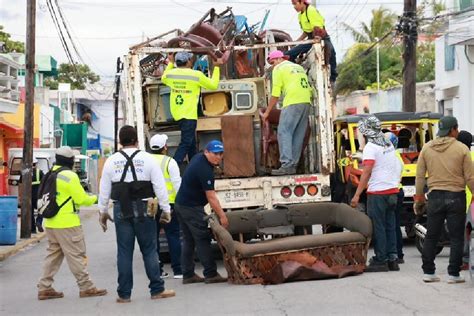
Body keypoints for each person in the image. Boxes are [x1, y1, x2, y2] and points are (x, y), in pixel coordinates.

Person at [98, 126, 175, 303]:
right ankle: (157, 289)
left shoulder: (111, 161)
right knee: (149, 250)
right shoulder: (147, 159)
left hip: (120, 209)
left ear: (120, 141)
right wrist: (166, 209)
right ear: (136, 141)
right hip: (145, 208)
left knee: (124, 252)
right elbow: (159, 186)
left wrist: (102, 211)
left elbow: (104, 189)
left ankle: (124, 294)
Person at [37, 146, 107, 300]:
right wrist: (98, 198)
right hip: (67, 224)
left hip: (50, 223)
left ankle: (44, 287)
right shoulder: (69, 176)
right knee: (76, 255)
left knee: (53, 255)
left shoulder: (49, 174)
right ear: (70, 160)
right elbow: (82, 199)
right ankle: (86, 287)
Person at [414, 117, 474, 283]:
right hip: (456, 196)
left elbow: (420, 177)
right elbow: (470, 178)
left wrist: (418, 200)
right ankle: (453, 274)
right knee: (456, 237)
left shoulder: (426, 148)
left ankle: (428, 272)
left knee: (432, 236)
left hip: (435, 197)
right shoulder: (462, 149)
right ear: (453, 130)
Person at [350, 116, 402, 272]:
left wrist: (357, 195)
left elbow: (366, 172)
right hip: (393, 191)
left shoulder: (371, 147)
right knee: (390, 226)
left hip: (378, 193)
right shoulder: (388, 143)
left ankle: (381, 260)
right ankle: (393, 259)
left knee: (378, 226)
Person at [175, 140, 229, 284]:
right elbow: (211, 197)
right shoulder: (204, 169)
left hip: (181, 204)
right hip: (190, 207)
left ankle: (188, 274)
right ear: (206, 152)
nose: (218, 157)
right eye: (215, 154)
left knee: (189, 240)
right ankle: (211, 274)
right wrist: (222, 216)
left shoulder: (199, 158)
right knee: (202, 238)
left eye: (221, 154)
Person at [161, 52, 222, 168]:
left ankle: (194, 167)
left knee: (191, 143)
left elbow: (163, 78)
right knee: (186, 142)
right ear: (189, 61)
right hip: (189, 113)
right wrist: (217, 67)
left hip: (177, 113)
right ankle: (173, 166)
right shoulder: (196, 75)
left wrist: (170, 63)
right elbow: (213, 85)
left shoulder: (170, 74)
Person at [262, 50, 312, 176]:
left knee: (284, 131)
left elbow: (275, 94)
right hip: (306, 102)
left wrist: (267, 112)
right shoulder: (298, 67)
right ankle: (292, 165)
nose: (273, 65)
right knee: (297, 134)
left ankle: (286, 164)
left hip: (292, 102)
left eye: (272, 62)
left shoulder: (278, 68)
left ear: (279, 59)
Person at [149, 133, 183, 279]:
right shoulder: (170, 162)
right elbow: (177, 185)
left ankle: (158, 271)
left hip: (151, 205)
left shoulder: (146, 161)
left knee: (153, 238)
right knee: (173, 236)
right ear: (165, 147)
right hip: (169, 205)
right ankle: (178, 270)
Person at [287, 0, 337, 83]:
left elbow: (317, 28)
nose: (294, 7)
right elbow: (306, 32)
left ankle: (331, 81)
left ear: (302, 2)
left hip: (321, 37)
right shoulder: (300, 15)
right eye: (293, 4)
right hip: (310, 39)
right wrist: (297, 42)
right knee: (288, 55)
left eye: (295, 4)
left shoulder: (311, 10)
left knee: (331, 54)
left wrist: (317, 38)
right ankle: (299, 72)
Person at [384, 131, 405, 263]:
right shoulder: (395, 155)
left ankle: (396, 253)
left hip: (393, 191)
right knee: (393, 223)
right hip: (396, 190)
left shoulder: (393, 157)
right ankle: (397, 253)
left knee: (392, 224)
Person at [456, 130, 473, 270]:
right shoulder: (471, 155)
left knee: (463, 233)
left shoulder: (460, 157)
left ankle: (466, 260)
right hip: (470, 200)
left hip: (462, 200)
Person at [20, 158, 44, 233]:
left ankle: (33, 229)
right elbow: (44, 184)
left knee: (30, 213)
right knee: (42, 209)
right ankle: (39, 222)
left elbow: (20, 184)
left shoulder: (24, 172)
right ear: (36, 164)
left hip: (27, 196)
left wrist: (20, 196)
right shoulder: (39, 172)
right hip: (38, 195)